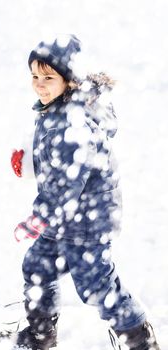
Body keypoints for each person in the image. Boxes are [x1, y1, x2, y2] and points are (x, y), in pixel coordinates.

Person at [9, 34, 160, 350]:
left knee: (95, 285)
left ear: (69, 80)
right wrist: (28, 161)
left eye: (48, 77)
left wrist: (40, 217)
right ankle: (40, 334)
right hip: (62, 218)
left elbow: (68, 182)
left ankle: (139, 339)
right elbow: (55, 164)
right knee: (37, 267)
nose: (39, 83)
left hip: (86, 222)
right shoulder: (56, 109)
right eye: (35, 76)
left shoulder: (73, 124)